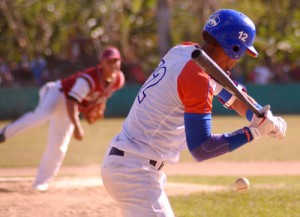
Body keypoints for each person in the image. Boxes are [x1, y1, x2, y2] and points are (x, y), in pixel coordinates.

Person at [101, 9, 287, 217]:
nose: (239, 59)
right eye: (241, 51)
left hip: (130, 165)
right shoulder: (198, 78)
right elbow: (202, 148)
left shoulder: (184, 50)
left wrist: (259, 115)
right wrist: (254, 132)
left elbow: (229, 92)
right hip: (135, 172)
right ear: (233, 48)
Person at [0, 46, 125, 191]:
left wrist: (99, 104)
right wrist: (77, 127)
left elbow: (102, 94)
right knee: (41, 116)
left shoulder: (118, 80)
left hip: (69, 105)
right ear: (101, 63)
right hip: (57, 93)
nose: (114, 64)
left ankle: (41, 182)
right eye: (110, 61)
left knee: (59, 143)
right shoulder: (89, 79)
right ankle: (4, 132)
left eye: (116, 61)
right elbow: (71, 102)